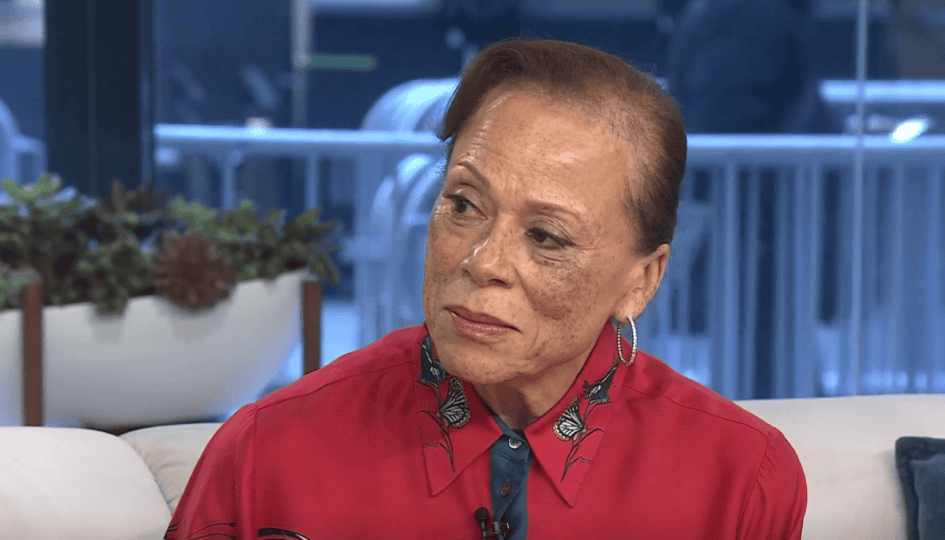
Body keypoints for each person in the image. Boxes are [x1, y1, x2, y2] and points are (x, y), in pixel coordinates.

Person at [166, 38, 807, 539]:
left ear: (641, 281)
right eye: (465, 205)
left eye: (547, 237)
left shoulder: (740, 479)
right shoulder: (265, 452)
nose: (481, 261)